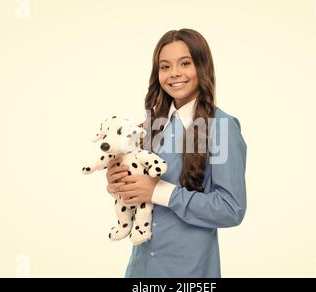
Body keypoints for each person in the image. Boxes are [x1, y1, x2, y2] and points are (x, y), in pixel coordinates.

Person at [105, 28, 247, 278]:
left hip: (189, 273)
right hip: (140, 271)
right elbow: (139, 193)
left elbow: (230, 208)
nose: (174, 74)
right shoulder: (151, 126)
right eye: (165, 67)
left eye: (185, 63)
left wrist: (158, 191)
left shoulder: (221, 127)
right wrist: (119, 183)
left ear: (202, 67)